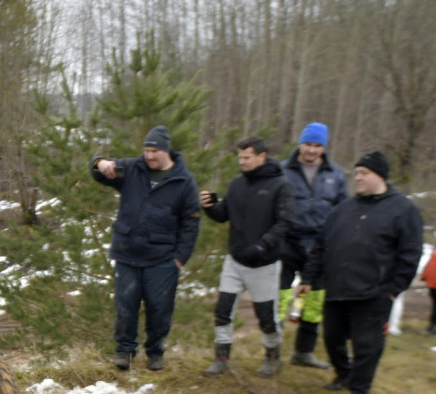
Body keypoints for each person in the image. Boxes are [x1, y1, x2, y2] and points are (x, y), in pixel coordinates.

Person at [298, 151, 424, 394]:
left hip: (374, 293)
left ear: (380, 175)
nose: (358, 178)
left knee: (367, 346)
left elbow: (409, 254)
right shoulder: (343, 209)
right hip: (337, 288)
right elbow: (321, 245)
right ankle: (344, 373)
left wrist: (392, 289)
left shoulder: (402, 209)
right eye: (356, 174)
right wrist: (309, 277)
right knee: (332, 338)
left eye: (364, 173)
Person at [90, 125, 201, 371]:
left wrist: (180, 258)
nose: (149, 156)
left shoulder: (184, 181)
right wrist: (100, 163)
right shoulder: (132, 169)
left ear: (166, 151)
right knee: (125, 306)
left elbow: (191, 223)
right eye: (146, 150)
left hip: (162, 258)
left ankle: (155, 352)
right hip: (127, 253)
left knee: (159, 309)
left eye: (154, 151)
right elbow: (98, 172)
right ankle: (124, 352)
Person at [201, 137, 294, 377]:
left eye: (246, 157)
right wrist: (211, 205)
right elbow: (224, 215)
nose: (241, 161)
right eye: (240, 157)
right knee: (222, 310)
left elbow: (285, 223)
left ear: (261, 156)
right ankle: (221, 358)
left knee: (266, 316)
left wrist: (263, 245)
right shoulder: (237, 184)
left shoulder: (280, 185)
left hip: (264, 264)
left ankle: (272, 356)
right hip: (235, 261)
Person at [279, 122, 348, 367]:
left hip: (321, 246)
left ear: (323, 147)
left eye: (317, 146)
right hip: (287, 241)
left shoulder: (336, 175)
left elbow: (343, 210)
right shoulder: (282, 170)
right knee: (280, 296)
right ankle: (273, 349)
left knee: (315, 300)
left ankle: (303, 351)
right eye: (308, 144)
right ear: (300, 144)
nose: (311, 150)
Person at [422, 248, 436, 334]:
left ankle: (431, 326)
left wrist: (424, 276)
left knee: (435, 305)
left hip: (431, 283)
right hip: (433, 283)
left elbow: (428, 266)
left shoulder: (434, 253)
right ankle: (431, 327)